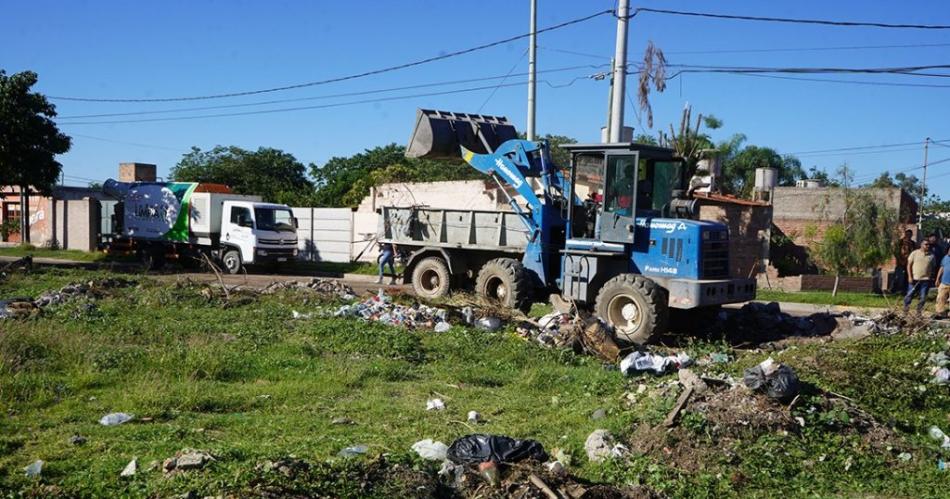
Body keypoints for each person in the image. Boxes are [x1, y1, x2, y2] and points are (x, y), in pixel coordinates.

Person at [904, 239, 936, 314]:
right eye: (926, 244)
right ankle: (906, 309)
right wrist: (909, 276)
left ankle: (919, 311)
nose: (928, 246)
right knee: (909, 295)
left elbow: (933, 267)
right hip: (914, 279)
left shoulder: (931, 255)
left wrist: (931, 277)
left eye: (929, 245)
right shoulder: (914, 253)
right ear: (921, 245)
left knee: (923, 297)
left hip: (925, 280)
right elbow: (909, 265)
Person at [891, 229, 916, 294]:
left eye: (910, 235)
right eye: (907, 234)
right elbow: (895, 252)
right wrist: (900, 260)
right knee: (898, 277)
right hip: (900, 262)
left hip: (909, 263)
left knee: (907, 277)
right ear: (905, 234)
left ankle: (904, 291)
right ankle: (894, 290)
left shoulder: (913, 243)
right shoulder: (900, 242)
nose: (908, 236)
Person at [936, 246, 950, 319]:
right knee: (940, 298)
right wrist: (937, 279)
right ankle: (940, 313)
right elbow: (941, 268)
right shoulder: (945, 258)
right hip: (944, 283)